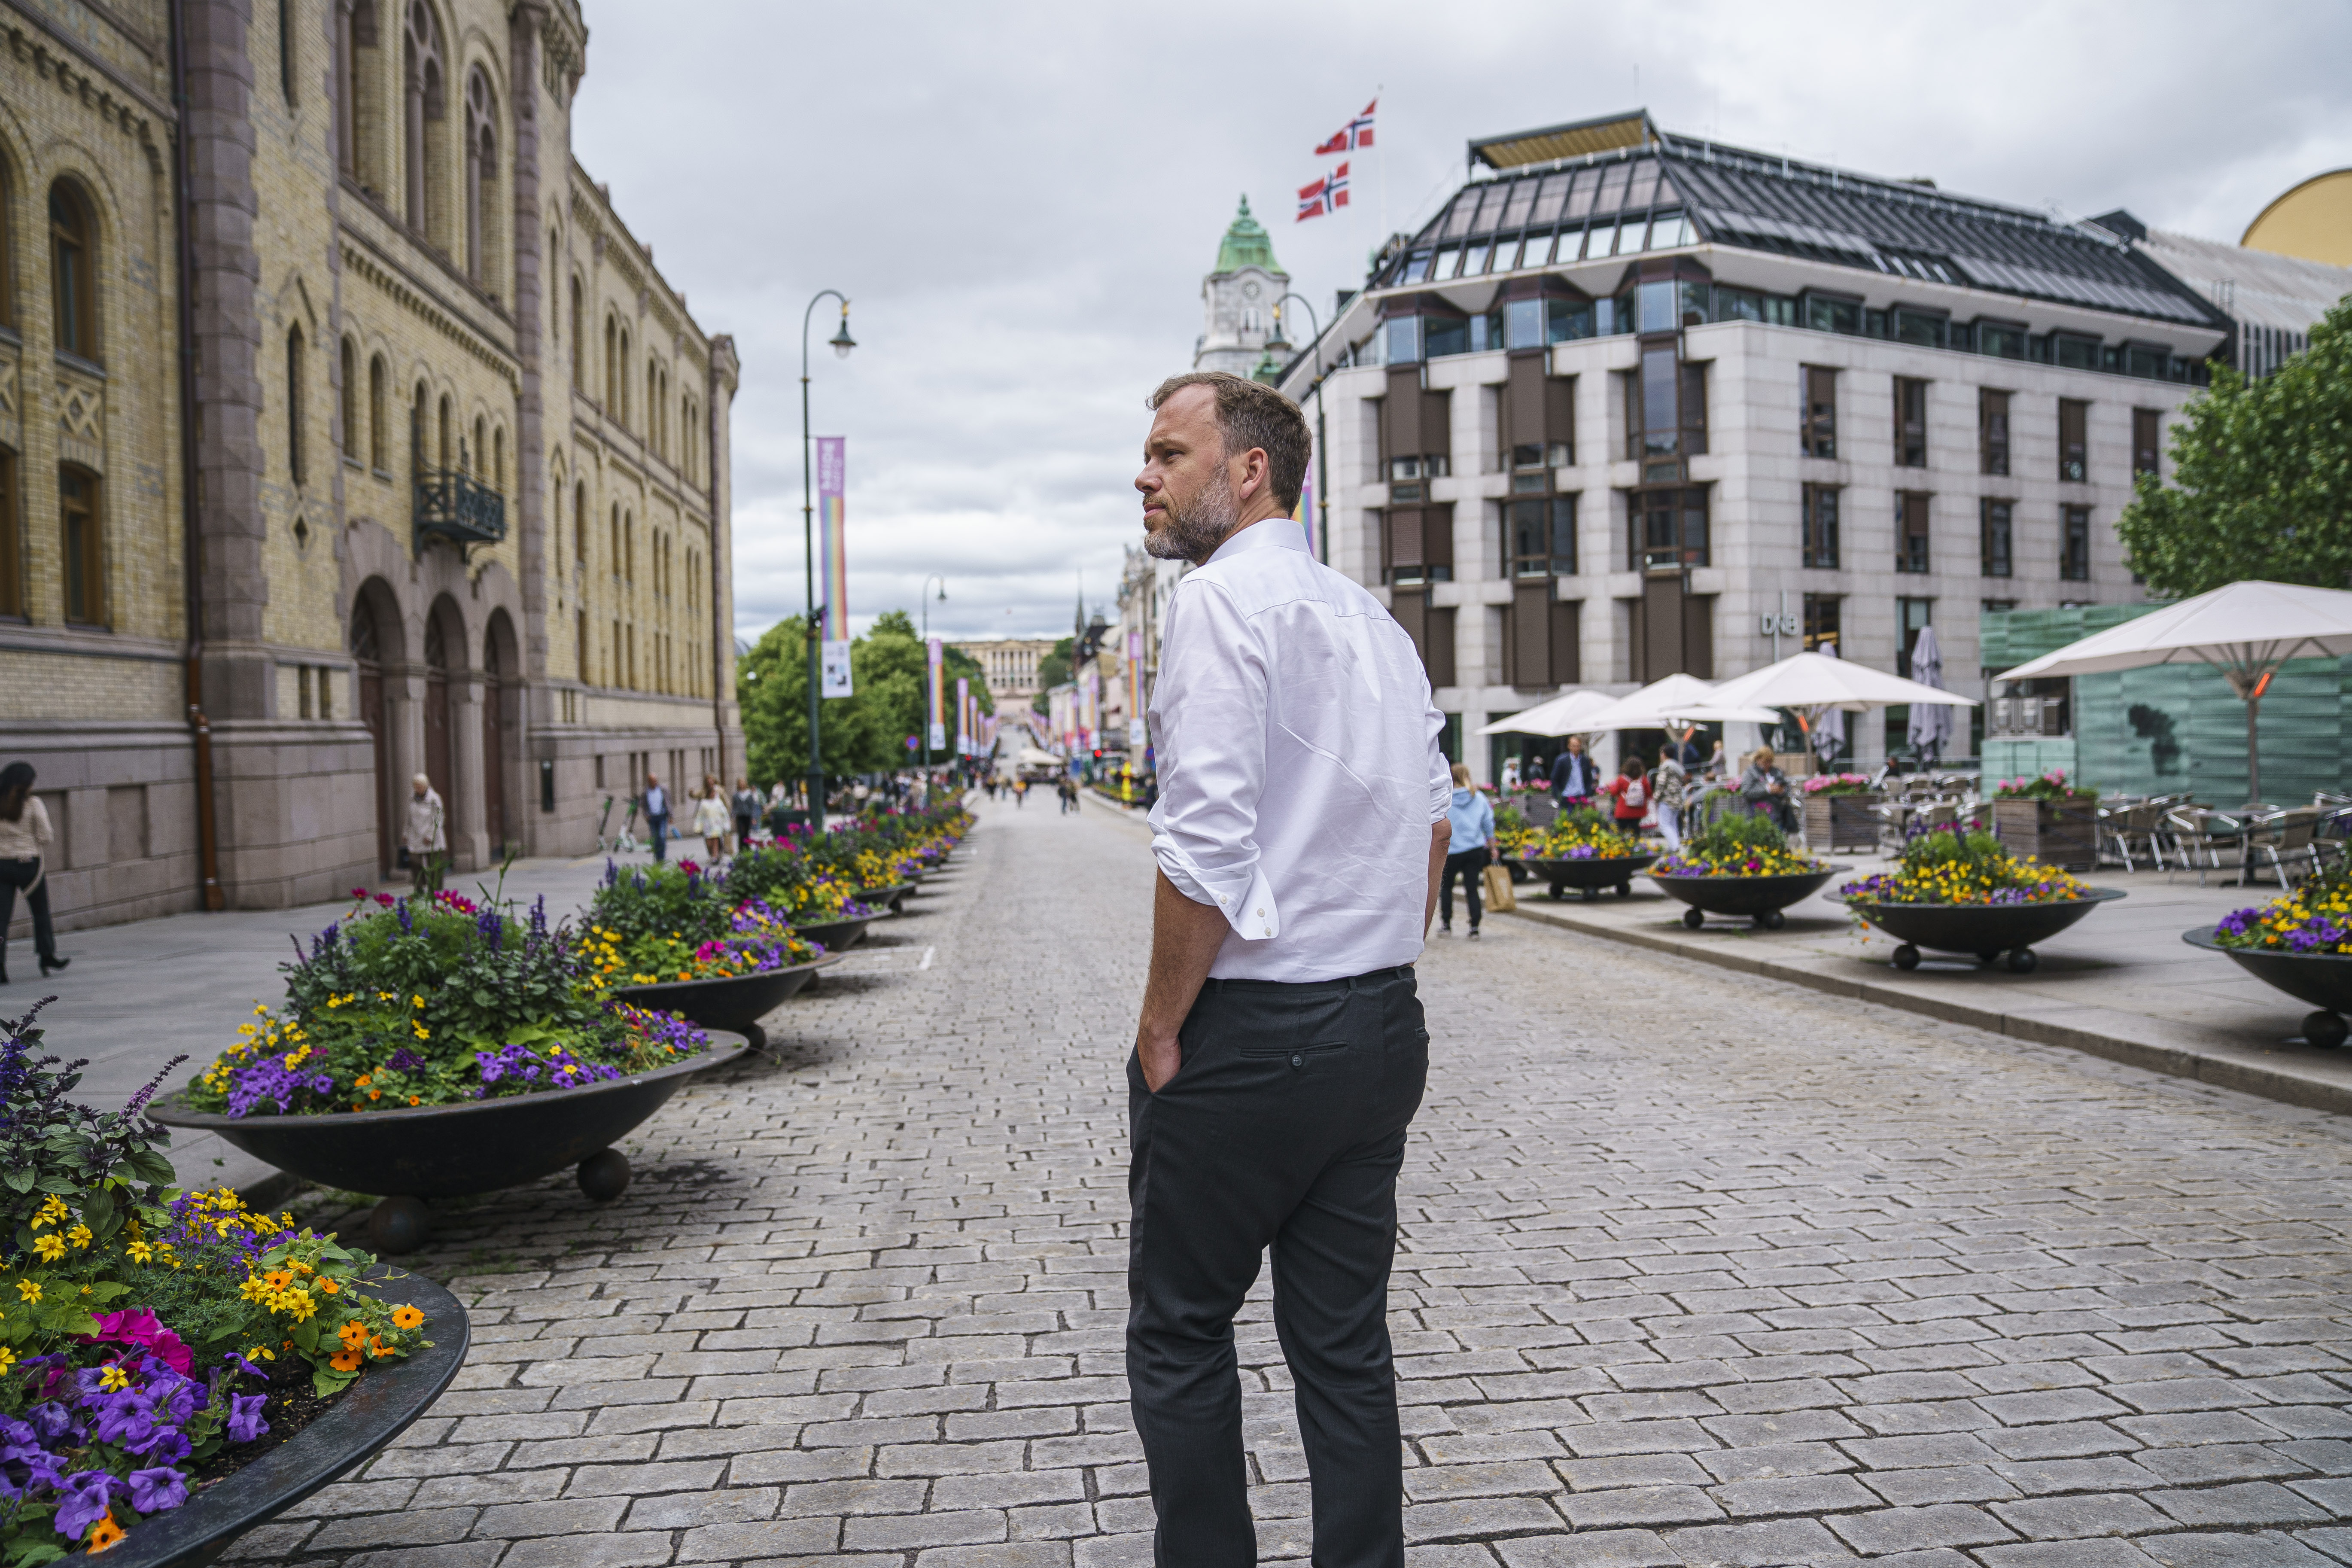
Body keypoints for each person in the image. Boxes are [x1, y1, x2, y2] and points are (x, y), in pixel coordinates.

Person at [1129, 370, 1446, 1568]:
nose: (1144, 477)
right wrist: (1379, 959)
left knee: (1178, 1332)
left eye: (1168, 453)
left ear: (1246, 469)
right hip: (1376, 1027)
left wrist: (1163, 1029)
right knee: (1344, 1345)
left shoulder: (1219, 604)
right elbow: (1431, 819)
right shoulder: (1372, 620)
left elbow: (1202, 843)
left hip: (1253, 1036)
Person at [0, 762, 67, 982]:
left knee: (1, 919)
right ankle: (46, 956)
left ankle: (1, 968)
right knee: (41, 913)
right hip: (29, 865)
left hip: (2, 865)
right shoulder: (33, 803)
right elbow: (46, 836)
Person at [1438, 762, 1495, 938]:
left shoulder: (1445, 799)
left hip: (1451, 850)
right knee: (1472, 889)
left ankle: (1446, 925)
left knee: (1446, 888)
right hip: (1474, 849)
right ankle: (1475, 928)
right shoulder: (1478, 797)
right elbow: (1488, 824)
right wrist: (1493, 847)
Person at [402, 773, 447, 892]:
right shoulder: (412, 798)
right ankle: (420, 887)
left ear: (426, 786)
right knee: (414, 860)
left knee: (434, 865)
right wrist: (405, 833)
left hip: (432, 837)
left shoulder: (434, 799)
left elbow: (439, 818)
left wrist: (430, 836)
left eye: (420, 786)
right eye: (415, 786)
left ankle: (436, 889)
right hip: (416, 836)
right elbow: (409, 818)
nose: (417, 789)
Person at [1740, 747, 1795, 832]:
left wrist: (1782, 791)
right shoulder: (1750, 772)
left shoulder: (1776, 771)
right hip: (1756, 817)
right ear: (1758, 759)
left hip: (1776, 816)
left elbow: (1786, 788)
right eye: (1765, 762)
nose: (1768, 765)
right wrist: (1767, 790)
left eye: (1770, 762)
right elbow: (1746, 792)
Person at [1599, 753, 1650, 831]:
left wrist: (1610, 785)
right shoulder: (1644, 779)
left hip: (1623, 811)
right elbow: (1649, 794)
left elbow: (1614, 792)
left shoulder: (1622, 779)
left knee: (1621, 833)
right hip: (1639, 811)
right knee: (1636, 831)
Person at [1652, 746, 1689, 851]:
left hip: (1667, 800)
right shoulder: (1677, 766)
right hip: (1677, 800)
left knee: (1664, 825)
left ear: (1663, 754)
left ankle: (1675, 846)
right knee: (1673, 824)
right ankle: (1674, 846)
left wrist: (1656, 798)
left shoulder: (1665, 767)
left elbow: (1661, 784)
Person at [1549, 734, 1598, 805]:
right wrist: (1557, 796)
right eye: (1574, 746)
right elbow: (1554, 778)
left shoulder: (1585, 760)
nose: (1576, 748)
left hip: (1581, 796)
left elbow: (1589, 778)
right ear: (1569, 746)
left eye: (1578, 746)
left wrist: (1588, 793)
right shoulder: (1562, 761)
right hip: (1566, 796)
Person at [694, 776, 731, 862]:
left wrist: (727, 825)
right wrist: (698, 827)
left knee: (716, 840)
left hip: (717, 825)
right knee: (709, 842)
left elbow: (724, 813)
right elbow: (700, 816)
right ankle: (713, 855)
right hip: (707, 825)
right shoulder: (704, 802)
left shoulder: (719, 800)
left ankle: (715, 857)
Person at [640, 773, 671, 861]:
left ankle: (662, 857)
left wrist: (671, 816)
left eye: (655, 781)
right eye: (652, 781)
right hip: (652, 818)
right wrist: (646, 814)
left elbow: (669, 802)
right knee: (654, 838)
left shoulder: (663, 790)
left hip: (662, 816)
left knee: (662, 836)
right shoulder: (646, 792)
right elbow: (643, 804)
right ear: (649, 782)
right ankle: (657, 857)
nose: (654, 783)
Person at [731, 778, 761, 853]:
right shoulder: (736, 795)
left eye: (743, 783)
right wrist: (732, 816)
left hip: (748, 815)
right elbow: (734, 807)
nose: (742, 785)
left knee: (747, 832)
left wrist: (754, 818)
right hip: (740, 816)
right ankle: (741, 848)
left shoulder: (749, 794)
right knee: (741, 832)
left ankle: (747, 847)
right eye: (740, 783)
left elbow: (752, 807)